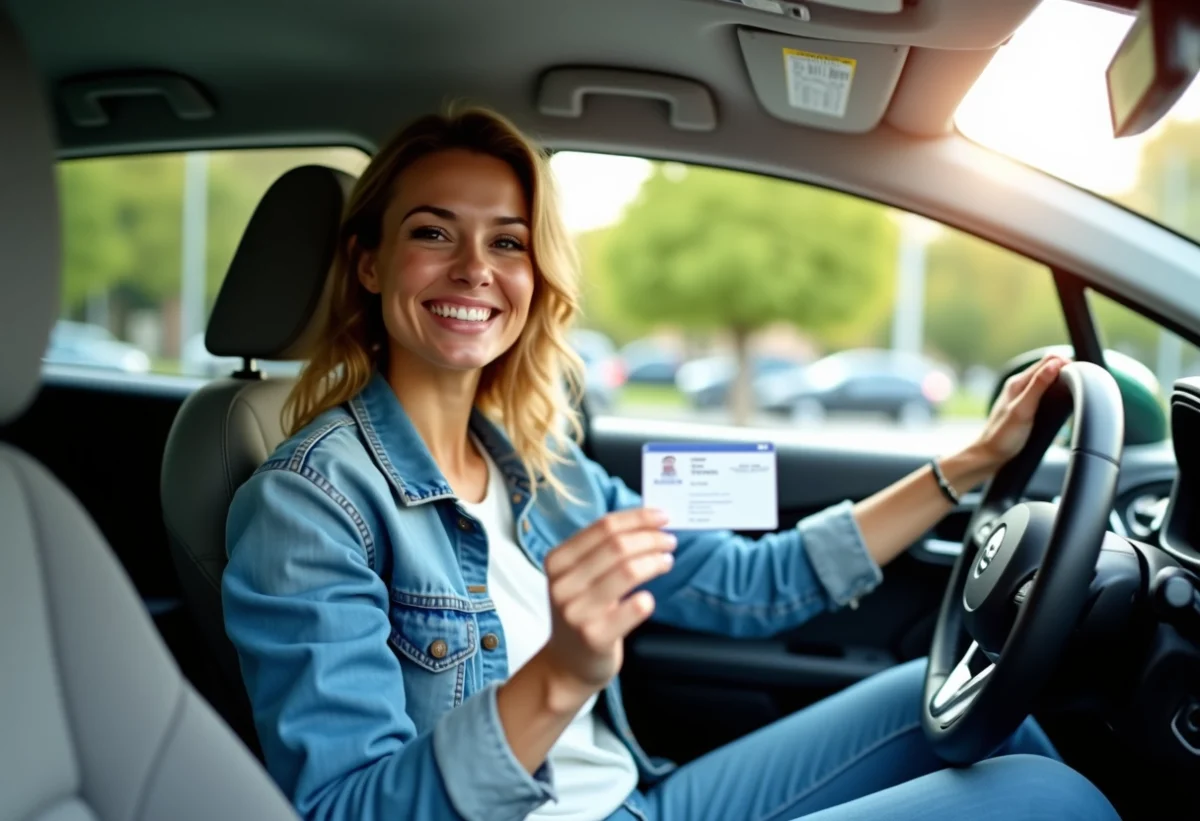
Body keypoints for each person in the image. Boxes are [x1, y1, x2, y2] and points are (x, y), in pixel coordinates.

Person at [222, 106, 1120, 821]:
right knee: (1053, 800)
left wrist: (970, 462)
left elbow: (751, 581)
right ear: (369, 264)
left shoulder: (542, 465)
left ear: (535, 275)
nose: (474, 270)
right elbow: (347, 810)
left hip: (636, 796)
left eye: (506, 241)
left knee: (969, 717)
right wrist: (561, 675)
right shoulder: (311, 503)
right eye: (432, 233)